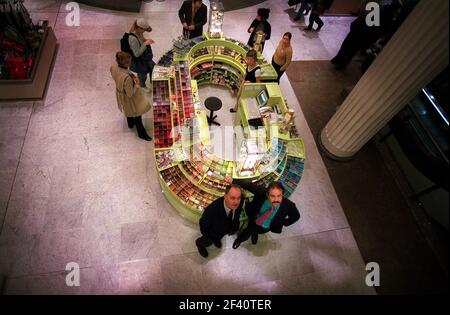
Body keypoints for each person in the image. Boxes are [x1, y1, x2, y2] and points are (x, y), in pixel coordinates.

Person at [231, 181, 300, 249]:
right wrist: (232, 180)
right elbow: (249, 185)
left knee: (257, 232)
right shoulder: (261, 192)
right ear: (267, 194)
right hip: (254, 219)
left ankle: (254, 235)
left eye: (279, 196)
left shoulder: (288, 206)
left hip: (267, 226)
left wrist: (282, 223)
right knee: (248, 230)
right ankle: (240, 240)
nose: (276, 200)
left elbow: (296, 216)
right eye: (272, 196)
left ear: (282, 194)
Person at [110, 51, 152, 141]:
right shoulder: (127, 78)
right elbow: (130, 94)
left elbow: (114, 77)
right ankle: (142, 133)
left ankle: (130, 123)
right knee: (137, 114)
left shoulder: (114, 66)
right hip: (130, 98)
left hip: (120, 92)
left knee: (127, 109)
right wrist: (137, 84)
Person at [195, 184, 244, 258]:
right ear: (225, 196)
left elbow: (237, 213)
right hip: (212, 233)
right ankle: (200, 244)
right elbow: (203, 223)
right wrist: (209, 237)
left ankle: (216, 239)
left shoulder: (240, 200)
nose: (236, 202)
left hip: (224, 230)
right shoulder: (212, 210)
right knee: (207, 242)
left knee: (219, 236)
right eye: (232, 198)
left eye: (238, 198)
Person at [128, 18, 155, 89]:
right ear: (139, 28)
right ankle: (142, 86)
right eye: (144, 30)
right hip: (138, 62)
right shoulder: (132, 38)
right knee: (142, 74)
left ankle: (153, 81)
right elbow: (136, 54)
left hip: (144, 57)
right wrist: (145, 44)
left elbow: (140, 40)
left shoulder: (139, 32)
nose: (144, 32)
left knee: (153, 67)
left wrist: (145, 40)